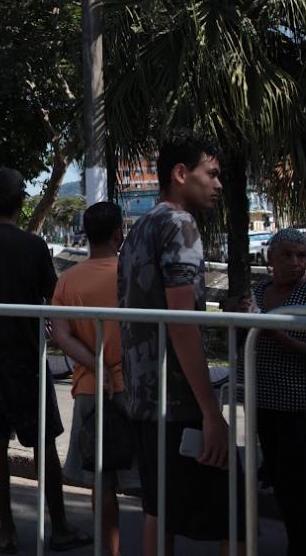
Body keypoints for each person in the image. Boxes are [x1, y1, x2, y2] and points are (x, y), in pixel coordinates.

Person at [118, 130, 241, 554]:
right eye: (211, 174)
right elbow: (182, 322)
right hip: (176, 404)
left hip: (143, 400)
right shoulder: (179, 225)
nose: (218, 184)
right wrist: (211, 412)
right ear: (180, 173)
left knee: (158, 509)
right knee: (234, 514)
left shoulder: (139, 228)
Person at [0, 168, 91, 552]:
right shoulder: (32, 246)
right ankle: (59, 525)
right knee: (43, 443)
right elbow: (52, 292)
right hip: (27, 358)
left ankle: (7, 530)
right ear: (20, 203)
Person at [241, 228, 306, 555]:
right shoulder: (258, 291)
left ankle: (302, 545)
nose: (296, 263)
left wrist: (275, 333)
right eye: (288, 255)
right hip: (263, 400)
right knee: (280, 480)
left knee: (299, 481)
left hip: (297, 401)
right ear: (270, 257)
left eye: (302, 256)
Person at [52, 202, 137, 556]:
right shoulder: (132, 274)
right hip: (135, 387)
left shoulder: (69, 280)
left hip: (90, 388)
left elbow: (61, 334)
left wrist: (96, 363)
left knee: (101, 482)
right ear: (119, 233)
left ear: (86, 235)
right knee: (147, 477)